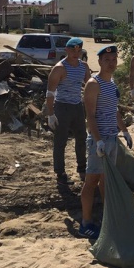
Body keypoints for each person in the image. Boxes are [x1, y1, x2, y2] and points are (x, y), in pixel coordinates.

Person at [80, 45, 132, 239]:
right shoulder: (94, 83)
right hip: (99, 140)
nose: (111, 63)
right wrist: (98, 140)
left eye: (114, 60)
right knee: (91, 181)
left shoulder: (112, 84)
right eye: (107, 60)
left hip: (112, 138)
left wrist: (125, 131)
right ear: (100, 62)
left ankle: (107, 217)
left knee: (106, 180)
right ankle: (85, 223)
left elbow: (114, 111)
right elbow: (90, 116)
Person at [46, 37, 91, 186]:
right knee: (61, 140)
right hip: (62, 107)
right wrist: (51, 114)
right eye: (72, 50)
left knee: (81, 138)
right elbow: (50, 93)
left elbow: (89, 86)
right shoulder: (60, 68)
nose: (75, 53)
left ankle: (82, 168)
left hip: (77, 106)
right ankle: (60, 172)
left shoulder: (83, 66)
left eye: (78, 50)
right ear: (66, 50)